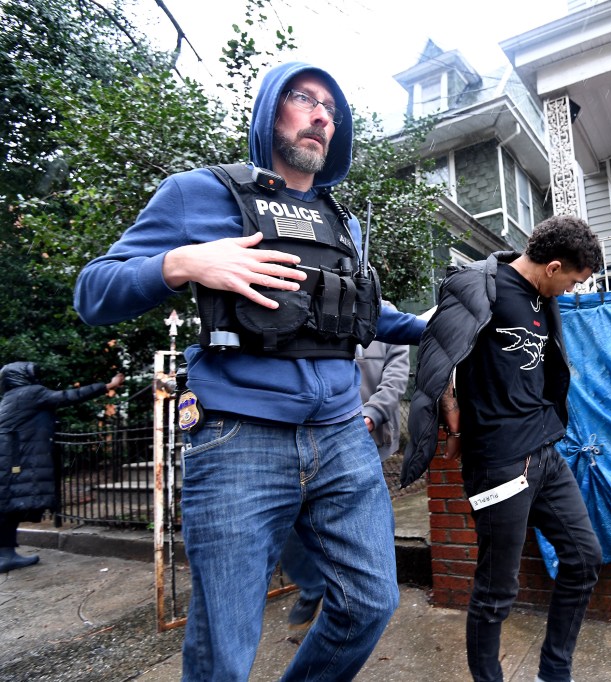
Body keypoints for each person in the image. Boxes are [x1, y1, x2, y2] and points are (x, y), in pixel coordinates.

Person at [74, 61, 424, 681]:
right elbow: (93, 292)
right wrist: (184, 262)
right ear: (269, 110)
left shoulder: (345, 223)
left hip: (343, 436)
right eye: (304, 99)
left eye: (332, 110)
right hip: (239, 440)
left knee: (371, 602)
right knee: (225, 651)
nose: (321, 115)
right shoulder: (198, 193)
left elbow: (364, 313)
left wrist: (449, 324)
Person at [402, 215, 605, 682]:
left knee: (583, 558)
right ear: (554, 266)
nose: (573, 290)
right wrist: (448, 400)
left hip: (547, 454)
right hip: (499, 462)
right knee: (497, 591)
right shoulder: (476, 286)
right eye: (574, 280)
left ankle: (554, 673)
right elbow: (438, 348)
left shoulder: (542, 298)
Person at [281, 301, 411, 628]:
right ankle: (313, 585)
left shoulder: (386, 316)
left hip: (369, 431)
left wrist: (371, 415)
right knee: (293, 519)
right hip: (317, 429)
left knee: (371, 509)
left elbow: (396, 378)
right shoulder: (314, 305)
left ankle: (373, 584)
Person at [0, 362, 124, 573]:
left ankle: (6, 554)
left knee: (8, 506)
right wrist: (107, 386)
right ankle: (6, 555)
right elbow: (68, 396)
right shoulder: (31, 393)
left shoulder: (10, 397)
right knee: (9, 508)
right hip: (15, 457)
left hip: (9, 456)